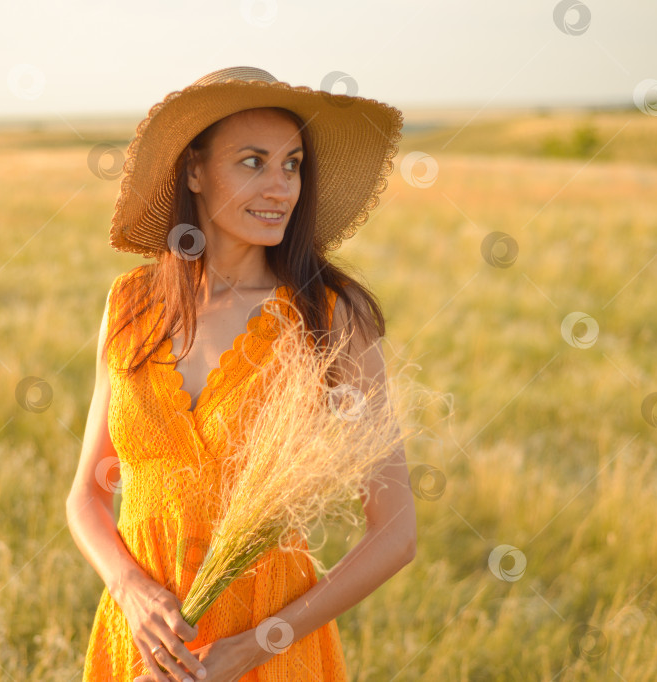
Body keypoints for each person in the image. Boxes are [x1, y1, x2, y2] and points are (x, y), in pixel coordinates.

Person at [66, 66, 415, 681]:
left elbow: (396, 533)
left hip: (269, 646)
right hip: (143, 643)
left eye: (293, 164)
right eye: (253, 162)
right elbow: (89, 494)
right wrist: (129, 590)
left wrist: (257, 644)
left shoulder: (328, 314)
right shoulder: (131, 305)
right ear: (194, 171)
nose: (281, 186)